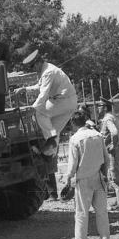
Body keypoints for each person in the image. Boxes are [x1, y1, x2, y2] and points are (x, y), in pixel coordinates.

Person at [15, 50, 77, 201]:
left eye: (33, 66)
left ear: (37, 62)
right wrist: (25, 89)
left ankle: (50, 141)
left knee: (40, 113)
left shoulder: (48, 71)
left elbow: (43, 95)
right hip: (67, 102)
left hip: (62, 101)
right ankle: (49, 153)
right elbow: (39, 86)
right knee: (52, 138)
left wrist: (32, 108)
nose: (33, 69)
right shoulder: (46, 70)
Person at [66, 110, 110, 239]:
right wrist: (105, 173)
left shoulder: (75, 139)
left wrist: (68, 178)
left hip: (83, 179)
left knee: (81, 212)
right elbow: (106, 158)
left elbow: (73, 164)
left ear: (73, 123)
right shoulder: (97, 135)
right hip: (99, 176)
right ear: (85, 121)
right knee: (102, 210)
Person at [98, 97, 119, 210]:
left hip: (116, 149)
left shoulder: (107, 119)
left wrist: (112, 145)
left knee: (116, 175)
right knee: (115, 174)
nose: (97, 109)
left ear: (105, 108)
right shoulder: (112, 116)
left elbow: (114, 132)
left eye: (99, 106)